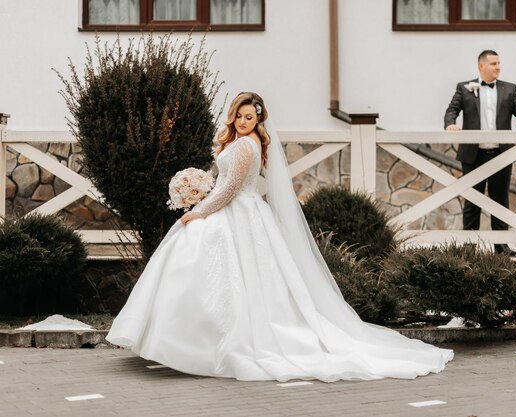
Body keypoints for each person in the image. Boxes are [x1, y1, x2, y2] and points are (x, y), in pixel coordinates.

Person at [107, 92, 453, 382]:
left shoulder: (245, 146)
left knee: (226, 273)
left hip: (238, 211)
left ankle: (197, 342)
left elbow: (229, 188)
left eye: (249, 117)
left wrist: (199, 210)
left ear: (258, 120)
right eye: (239, 116)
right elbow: (225, 185)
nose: (242, 121)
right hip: (240, 211)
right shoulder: (247, 142)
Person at [444, 50, 516, 257]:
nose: (498, 67)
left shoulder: (509, 89)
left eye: (499, 63)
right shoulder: (464, 88)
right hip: (473, 155)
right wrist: (450, 124)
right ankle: (469, 246)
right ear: (481, 67)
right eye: (493, 63)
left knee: (500, 200)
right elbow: (452, 110)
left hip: (501, 154)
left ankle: (501, 246)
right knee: (471, 201)